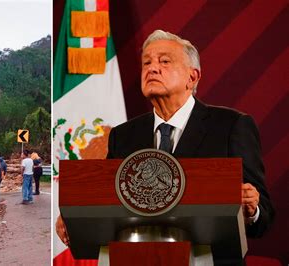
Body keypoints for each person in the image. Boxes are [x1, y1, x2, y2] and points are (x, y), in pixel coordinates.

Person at [56, 29, 274, 246]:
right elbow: (105, 200)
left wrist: (252, 209)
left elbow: (264, 216)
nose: (152, 69)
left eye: (165, 62)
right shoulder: (122, 136)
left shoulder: (231, 126)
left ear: (193, 76)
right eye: (146, 63)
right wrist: (73, 219)